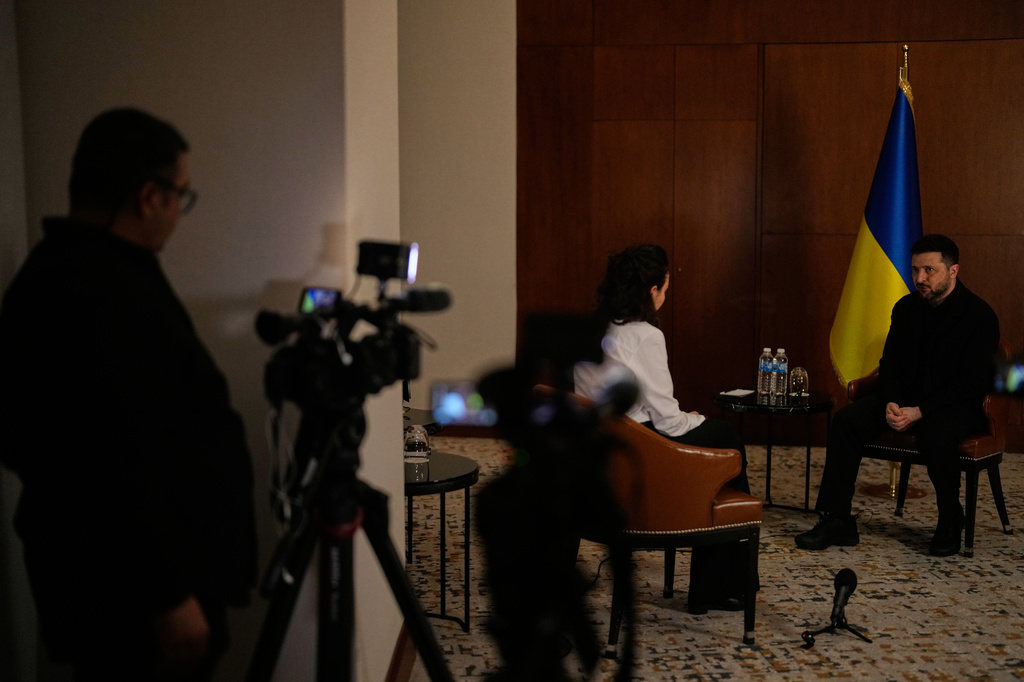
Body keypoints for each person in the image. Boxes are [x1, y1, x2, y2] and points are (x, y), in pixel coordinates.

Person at [0, 108, 257, 681]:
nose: (179, 213)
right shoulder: (100, 292)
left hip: (109, 587)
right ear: (149, 196)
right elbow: (111, 462)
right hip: (139, 606)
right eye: (181, 196)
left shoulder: (60, 272)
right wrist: (167, 595)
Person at [573, 243, 753, 614]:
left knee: (715, 438)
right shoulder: (644, 335)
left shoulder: (589, 328)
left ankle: (720, 580)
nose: (666, 298)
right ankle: (716, 584)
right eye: (666, 290)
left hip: (598, 450)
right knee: (726, 438)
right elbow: (668, 419)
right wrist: (696, 418)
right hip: (640, 450)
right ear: (652, 291)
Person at [796, 234, 999, 557]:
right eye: (915, 269)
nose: (920, 278)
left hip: (953, 406)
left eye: (929, 270)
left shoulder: (980, 315)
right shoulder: (905, 308)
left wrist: (921, 411)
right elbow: (889, 364)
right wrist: (891, 401)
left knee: (935, 438)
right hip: (902, 400)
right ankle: (837, 519)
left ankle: (950, 520)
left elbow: (974, 382)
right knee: (847, 421)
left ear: (953, 270)